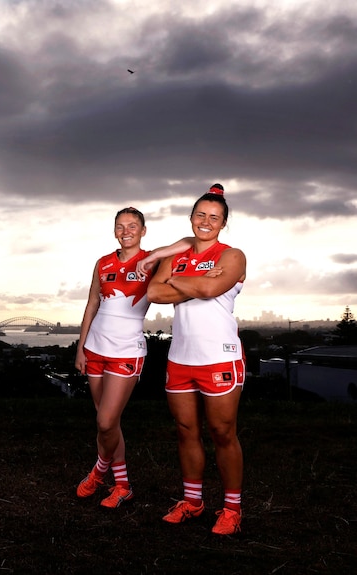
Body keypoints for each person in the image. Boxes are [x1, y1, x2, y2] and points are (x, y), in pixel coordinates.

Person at [74, 208, 191, 509]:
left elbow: (191, 241)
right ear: (114, 231)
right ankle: (123, 485)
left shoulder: (153, 262)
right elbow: (91, 304)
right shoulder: (103, 263)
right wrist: (81, 347)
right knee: (108, 425)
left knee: (105, 421)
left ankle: (100, 470)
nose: (126, 231)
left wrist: (154, 257)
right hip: (95, 350)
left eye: (133, 226)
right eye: (120, 226)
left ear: (143, 230)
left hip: (126, 352)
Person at [147, 184, 247, 535]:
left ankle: (232, 510)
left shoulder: (232, 256)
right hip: (181, 358)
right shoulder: (176, 257)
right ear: (192, 218)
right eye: (201, 215)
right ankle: (192, 502)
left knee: (222, 432)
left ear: (223, 223)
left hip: (220, 357)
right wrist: (192, 277)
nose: (206, 221)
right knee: (186, 430)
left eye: (214, 217)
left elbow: (208, 291)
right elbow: (153, 292)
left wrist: (184, 281)